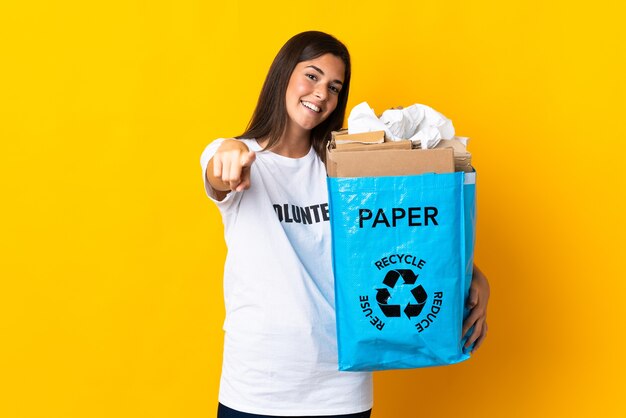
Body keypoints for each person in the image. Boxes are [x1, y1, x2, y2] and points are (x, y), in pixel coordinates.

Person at [200, 31, 490, 418]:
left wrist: (473, 275)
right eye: (313, 76)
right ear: (283, 75)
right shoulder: (237, 156)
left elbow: (396, 237)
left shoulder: (348, 170)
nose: (322, 93)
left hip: (339, 384)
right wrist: (229, 155)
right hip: (258, 383)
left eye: (334, 87)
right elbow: (219, 173)